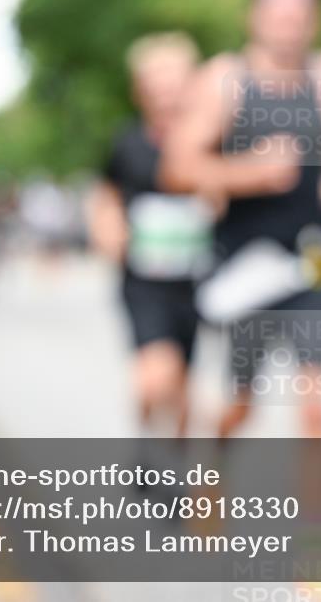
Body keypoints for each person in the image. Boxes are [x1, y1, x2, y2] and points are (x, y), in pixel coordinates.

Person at [162, 0, 321, 440]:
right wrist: (247, 173)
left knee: (317, 403)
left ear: (314, 19)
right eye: (279, 14)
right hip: (246, 262)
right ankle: (208, 491)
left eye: (300, 15)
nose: (290, 24)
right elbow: (175, 167)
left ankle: (315, 516)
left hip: (312, 259)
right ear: (254, 16)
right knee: (240, 404)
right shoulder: (225, 80)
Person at [88, 32, 210, 442]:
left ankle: (170, 461)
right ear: (140, 92)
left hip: (194, 282)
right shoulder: (128, 143)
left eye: (174, 86)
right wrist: (107, 227)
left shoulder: (211, 143)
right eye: (155, 87)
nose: (165, 97)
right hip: (143, 279)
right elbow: (106, 194)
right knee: (154, 377)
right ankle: (146, 441)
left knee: (181, 386)